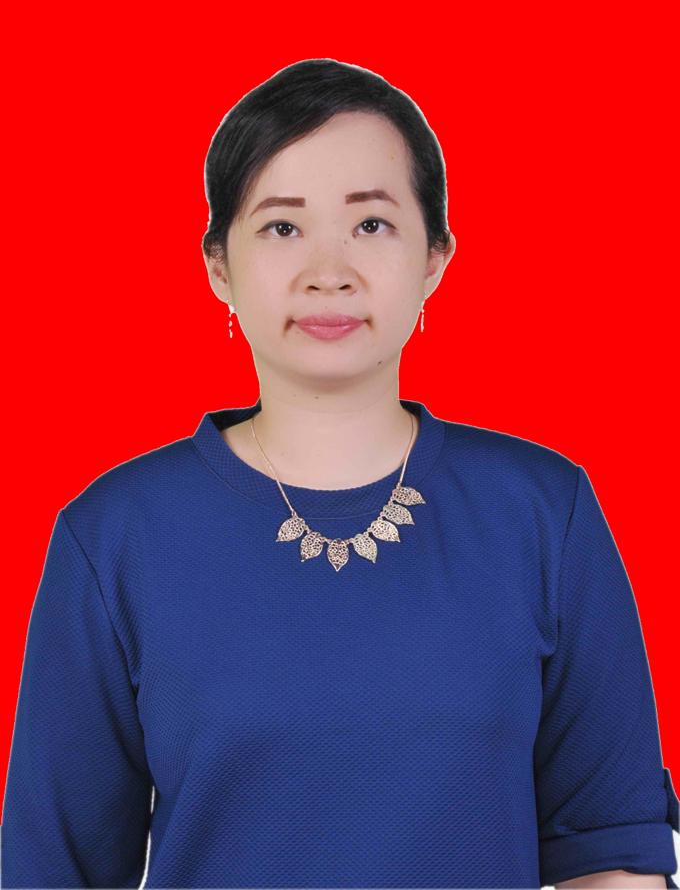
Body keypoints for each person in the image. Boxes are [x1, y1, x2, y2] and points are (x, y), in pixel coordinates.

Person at [1, 59, 677, 889]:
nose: (330, 270)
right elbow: (50, 869)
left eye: (371, 224)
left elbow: (612, 852)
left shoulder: (543, 514)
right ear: (219, 266)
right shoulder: (114, 537)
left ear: (435, 257)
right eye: (282, 228)